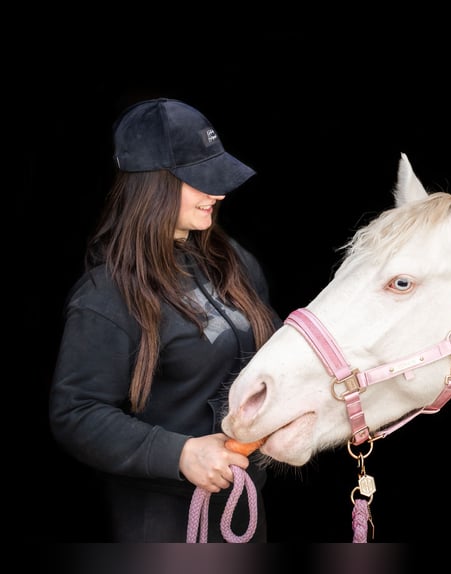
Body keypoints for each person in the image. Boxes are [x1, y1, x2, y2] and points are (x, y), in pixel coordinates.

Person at [49, 98, 280, 542]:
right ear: (153, 184)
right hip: (162, 522)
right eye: (200, 180)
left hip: (241, 510)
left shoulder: (234, 263)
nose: (219, 192)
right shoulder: (108, 295)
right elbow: (75, 413)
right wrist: (180, 454)